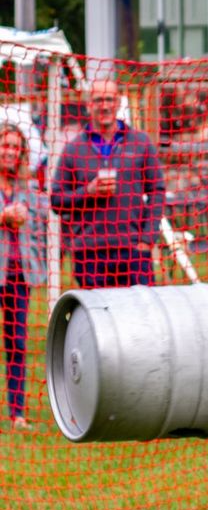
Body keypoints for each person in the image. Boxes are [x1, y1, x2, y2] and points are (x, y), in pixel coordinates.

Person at [51, 73, 165, 288]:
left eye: (109, 99)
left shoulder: (140, 142)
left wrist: (147, 238)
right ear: (88, 105)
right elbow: (56, 200)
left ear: (119, 102)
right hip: (89, 253)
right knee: (98, 320)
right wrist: (88, 191)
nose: (104, 106)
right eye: (98, 100)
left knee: (141, 318)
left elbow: (157, 190)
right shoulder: (73, 149)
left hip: (133, 250)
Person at [0, 125, 47, 429]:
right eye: (6, 145)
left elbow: (45, 220)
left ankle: (17, 413)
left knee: (17, 342)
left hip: (20, 275)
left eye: (16, 147)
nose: (11, 152)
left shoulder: (28, 189)